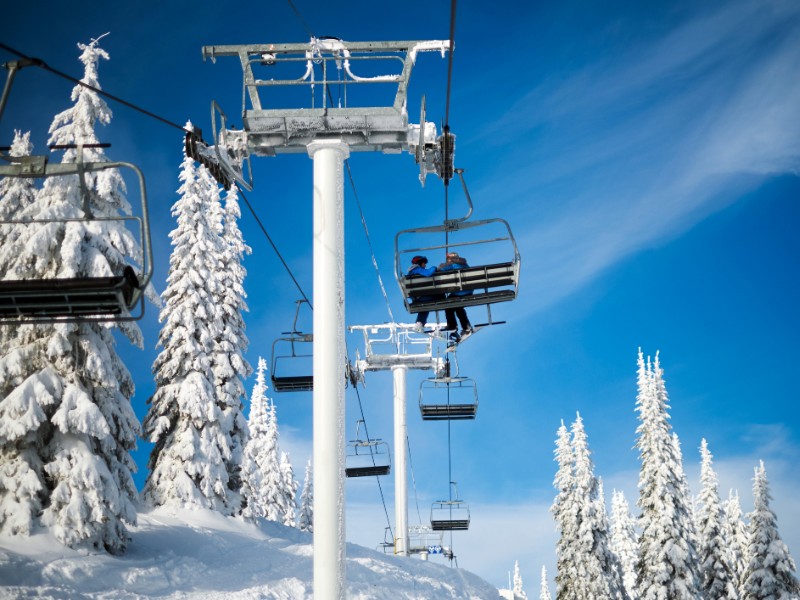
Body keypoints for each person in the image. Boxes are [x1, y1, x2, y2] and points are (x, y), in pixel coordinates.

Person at [438, 251, 473, 343]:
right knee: (458, 307)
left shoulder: (452, 264)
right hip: (469, 291)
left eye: (448, 258)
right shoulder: (465, 264)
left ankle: (452, 326)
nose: (448, 260)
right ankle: (466, 327)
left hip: (459, 292)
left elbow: (440, 269)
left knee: (448, 305)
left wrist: (444, 264)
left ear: (451, 258)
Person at [407, 255, 438, 332]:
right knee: (440, 295)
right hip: (421, 296)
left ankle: (420, 323)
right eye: (424, 263)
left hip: (416, 297)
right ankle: (420, 323)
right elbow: (428, 273)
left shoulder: (411, 272)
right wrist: (434, 267)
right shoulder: (417, 269)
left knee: (425, 307)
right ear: (420, 263)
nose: (425, 265)